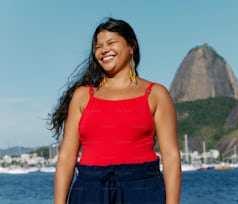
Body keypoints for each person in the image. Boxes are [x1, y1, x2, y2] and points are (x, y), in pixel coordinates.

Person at [48, 17, 181, 204]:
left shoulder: (155, 94)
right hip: (89, 190)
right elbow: (66, 157)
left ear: (131, 46)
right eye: (98, 46)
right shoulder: (83, 95)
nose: (104, 50)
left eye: (111, 43)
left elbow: (171, 156)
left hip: (142, 189)